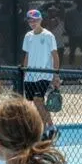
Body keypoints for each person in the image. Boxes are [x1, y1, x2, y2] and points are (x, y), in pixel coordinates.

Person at [21, 9, 60, 141]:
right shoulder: (28, 36)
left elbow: (55, 56)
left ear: (41, 20)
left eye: (35, 20)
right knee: (37, 103)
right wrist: (25, 73)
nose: (33, 22)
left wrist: (55, 75)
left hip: (45, 75)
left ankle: (52, 127)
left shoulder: (48, 36)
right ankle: (43, 132)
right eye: (30, 20)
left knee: (38, 100)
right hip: (30, 76)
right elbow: (27, 55)